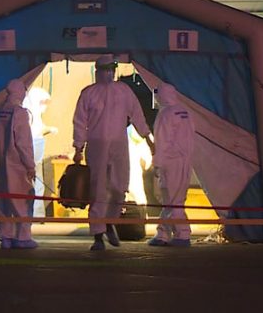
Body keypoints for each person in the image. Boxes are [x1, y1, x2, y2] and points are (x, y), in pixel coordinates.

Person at [73, 55, 154, 251]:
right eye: (106, 69)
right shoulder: (88, 93)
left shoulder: (123, 91)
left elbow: (136, 114)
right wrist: (78, 147)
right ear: (98, 71)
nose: (109, 73)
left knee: (120, 187)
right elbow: (79, 122)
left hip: (119, 145)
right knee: (98, 189)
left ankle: (110, 222)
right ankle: (98, 235)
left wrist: (148, 138)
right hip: (97, 146)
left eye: (112, 69)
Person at [0, 79, 38, 249]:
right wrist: (30, 165)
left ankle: (6, 237)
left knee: (4, 203)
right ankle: (22, 237)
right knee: (22, 202)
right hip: (17, 167)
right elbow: (23, 143)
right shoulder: (19, 113)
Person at [147, 83, 196, 247]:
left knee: (171, 199)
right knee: (175, 198)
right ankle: (163, 234)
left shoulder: (165, 114)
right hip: (185, 161)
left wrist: (157, 164)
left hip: (170, 162)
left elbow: (162, 142)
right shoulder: (184, 112)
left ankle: (182, 234)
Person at [22, 87, 58, 217]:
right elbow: (34, 133)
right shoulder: (27, 114)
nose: (45, 107)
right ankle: (33, 213)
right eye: (43, 103)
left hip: (36, 156)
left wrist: (48, 129)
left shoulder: (35, 115)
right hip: (30, 156)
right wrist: (49, 129)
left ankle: (37, 213)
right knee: (33, 183)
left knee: (37, 184)